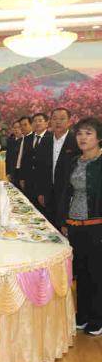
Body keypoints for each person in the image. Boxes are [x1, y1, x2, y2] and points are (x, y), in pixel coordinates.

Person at [56, 117, 102, 336]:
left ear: (99, 138)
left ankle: (97, 318)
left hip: (96, 226)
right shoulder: (74, 161)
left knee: (96, 273)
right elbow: (67, 192)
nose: (82, 137)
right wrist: (64, 220)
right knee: (80, 272)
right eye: (80, 133)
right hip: (75, 225)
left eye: (88, 133)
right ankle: (82, 314)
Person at [34, 108, 80, 226]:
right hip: (48, 193)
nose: (58, 122)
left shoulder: (76, 141)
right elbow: (40, 168)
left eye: (62, 119)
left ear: (69, 121)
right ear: (50, 121)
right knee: (49, 226)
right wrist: (40, 192)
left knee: (64, 228)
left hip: (68, 195)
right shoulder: (46, 140)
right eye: (54, 119)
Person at [22, 112, 51, 205]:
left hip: (44, 182)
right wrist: (22, 177)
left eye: (40, 121)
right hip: (29, 181)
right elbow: (24, 159)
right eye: (35, 121)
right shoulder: (27, 139)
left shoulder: (52, 138)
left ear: (46, 123)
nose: (37, 123)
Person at [15, 115, 34, 191]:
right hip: (18, 172)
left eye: (25, 125)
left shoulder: (34, 139)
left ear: (31, 125)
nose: (22, 127)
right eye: (21, 125)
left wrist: (23, 177)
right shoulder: (20, 139)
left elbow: (28, 161)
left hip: (28, 176)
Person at [5, 119, 23, 184]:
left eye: (18, 127)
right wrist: (8, 173)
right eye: (14, 128)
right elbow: (8, 158)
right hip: (12, 172)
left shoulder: (25, 141)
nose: (16, 129)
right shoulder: (10, 141)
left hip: (21, 173)